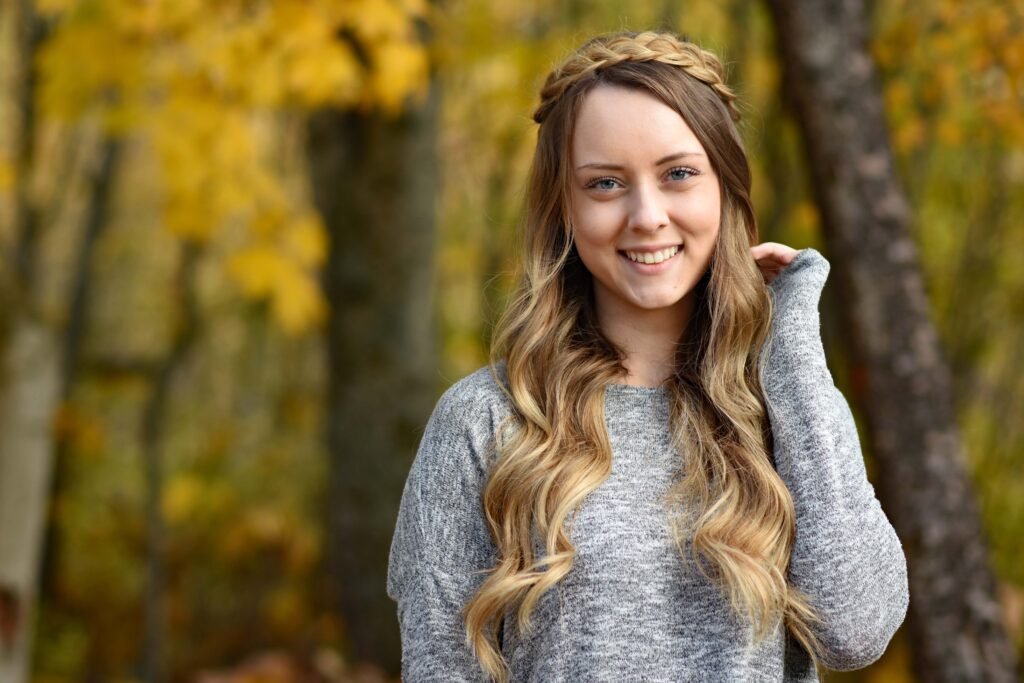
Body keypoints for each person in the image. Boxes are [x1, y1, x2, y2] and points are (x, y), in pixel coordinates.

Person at [386, 29, 909, 682]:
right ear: (565, 208)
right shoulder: (486, 422)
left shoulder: (787, 404)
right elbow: (441, 666)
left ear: (724, 186)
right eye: (605, 183)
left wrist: (794, 343)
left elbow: (856, 631)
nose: (647, 215)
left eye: (679, 174)